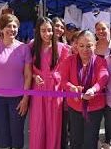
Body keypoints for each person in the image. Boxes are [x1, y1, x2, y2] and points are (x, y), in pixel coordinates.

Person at [0, 14, 31, 149]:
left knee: (17, 134)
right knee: (2, 134)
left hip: (18, 99)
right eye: (9, 26)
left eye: (15, 26)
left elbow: (28, 75)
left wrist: (25, 99)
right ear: (2, 28)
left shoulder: (24, 48)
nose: (12, 29)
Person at [59, 30, 109, 149]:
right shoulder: (69, 61)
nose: (85, 49)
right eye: (81, 46)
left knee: (90, 141)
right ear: (76, 45)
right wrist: (71, 87)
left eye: (89, 46)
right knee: (75, 140)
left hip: (95, 108)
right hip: (75, 106)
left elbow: (103, 77)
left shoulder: (100, 61)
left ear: (95, 45)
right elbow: (63, 80)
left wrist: (93, 90)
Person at [29, 17, 70, 149]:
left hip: (55, 91)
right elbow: (26, 68)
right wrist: (35, 76)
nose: (47, 34)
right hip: (38, 90)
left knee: (53, 126)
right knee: (38, 125)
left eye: (49, 30)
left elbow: (66, 71)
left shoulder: (62, 48)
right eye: (43, 31)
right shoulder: (32, 46)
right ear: (38, 31)